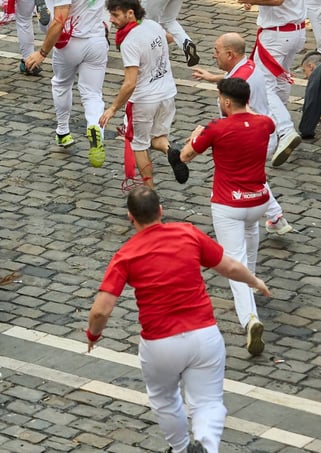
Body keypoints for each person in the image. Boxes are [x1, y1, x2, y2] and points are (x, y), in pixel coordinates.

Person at [87, 187, 270, 453]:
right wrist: (254, 281)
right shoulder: (188, 233)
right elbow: (228, 266)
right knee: (208, 402)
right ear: (160, 210)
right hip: (204, 336)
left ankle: (180, 448)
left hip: (160, 344)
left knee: (164, 400)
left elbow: (101, 311)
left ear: (131, 217)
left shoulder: (125, 256)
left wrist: (93, 335)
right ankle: (207, 445)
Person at [190, 34, 294, 233]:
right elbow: (234, 78)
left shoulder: (234, 88)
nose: (214, 55)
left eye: (216, 51)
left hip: (251, 136)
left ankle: (268, 215)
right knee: (254, 176)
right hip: (261, 133)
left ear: (230, 54)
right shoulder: (249, 66)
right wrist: (213, 78)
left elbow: (230, 119)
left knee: (244, 176)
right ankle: (276, 217)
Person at [25, 0, 114, 162]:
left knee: (61, 83)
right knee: (93, 93)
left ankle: (63, 131)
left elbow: (59, 20)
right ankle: (95, 126)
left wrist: (41, 52)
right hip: (97, 41)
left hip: (71, 44)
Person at [234, 0, 307, 166]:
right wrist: (255, 0)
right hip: (294, 31)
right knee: (279, 80)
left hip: (277, 34)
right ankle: (280, 127)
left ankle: (284, 130)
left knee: (262, 85)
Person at [98, 0, 179, 188]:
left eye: (116, 15)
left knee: (139, 146)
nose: (112, 20)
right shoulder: (152, 25)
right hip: (167, 94)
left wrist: (113, 108)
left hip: (144, 100)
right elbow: (169, 37)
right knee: (157, 138)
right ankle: (171, 151)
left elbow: (130, 83)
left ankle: (149, 192)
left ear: (130, 14)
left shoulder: (130, 42)